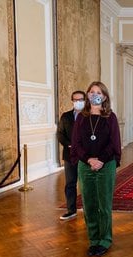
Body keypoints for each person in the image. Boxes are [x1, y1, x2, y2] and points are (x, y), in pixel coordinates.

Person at [71, 81, 121, 257]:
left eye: (98, 92)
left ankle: (105, 239)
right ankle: (93, 239)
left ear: (104, 96)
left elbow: (114, 144)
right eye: (91, 92)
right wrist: (89, 160)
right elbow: (76, 143)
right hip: (85, 166)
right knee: (89, 203)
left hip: (106, 165)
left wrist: (100, 160)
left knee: (104, 204)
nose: (94, 94)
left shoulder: (110, 117)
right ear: (87, 95)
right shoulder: (81, 118)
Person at [57, 90, 86, 221]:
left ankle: (88, 210)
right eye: (75, 100)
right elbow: (60, 134)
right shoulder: (66, 116)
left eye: (80, 100)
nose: (78, 102)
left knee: (86, 184)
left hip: (86, 156)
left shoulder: (89, 116)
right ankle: (71, 210)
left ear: (85, 101)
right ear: (72, 101)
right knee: (70, 183)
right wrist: (70, 145)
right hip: (69, 155)